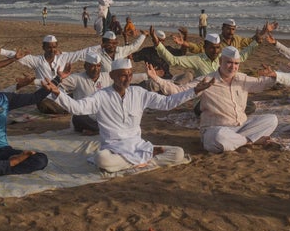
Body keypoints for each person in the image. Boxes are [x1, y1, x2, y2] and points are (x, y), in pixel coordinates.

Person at [48, 58, 213, 173]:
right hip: (114, 150)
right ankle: (145, 160)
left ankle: (135, 161)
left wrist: (195, 90)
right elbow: (77, 108)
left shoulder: (139, 92)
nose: (127, 78)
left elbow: (167, 103)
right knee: (101, 159)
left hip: (138, 146)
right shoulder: (101, 96)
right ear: (112, 76)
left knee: (178, 153)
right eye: (123, 75)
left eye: (130, 74)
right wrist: (58, 94)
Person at [148, 46, 279, 153]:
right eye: (229, 62)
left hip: (241, 127)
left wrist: (273, 76)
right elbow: (179, 91)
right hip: (216, 130)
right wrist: (157, 79)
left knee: (272, 119)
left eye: (236, 63)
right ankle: (251, 141)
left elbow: (261, 84)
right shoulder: (207, 80)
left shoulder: (242, 78)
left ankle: (240, 141)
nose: (233, 67)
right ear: (221, 61)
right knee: (219, 137)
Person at [57, 52, 147, 135]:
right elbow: (56, 86)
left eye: (98, 66)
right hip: (85, 117)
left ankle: (97, 130)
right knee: (78, 116)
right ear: (85, 66)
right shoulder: (76, 78)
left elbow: (130, 77)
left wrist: (147, 75)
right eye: (93, 66)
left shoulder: (106, 77)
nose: (96, 69)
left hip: (103, 116)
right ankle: (101, 130)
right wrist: (63, 91)